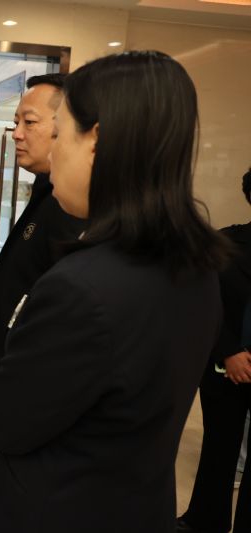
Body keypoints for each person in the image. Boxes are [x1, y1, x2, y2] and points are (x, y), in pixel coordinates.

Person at [0, 51, 229, 533]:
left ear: (97, 141)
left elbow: (2, 420)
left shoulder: (81, 287)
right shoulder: (197, 268)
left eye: (61, 134)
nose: (53, 153)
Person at [0, 73, 86, 525]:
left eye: (28, 122)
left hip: (16, 405)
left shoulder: (71, 210)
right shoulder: (44, 193)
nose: (16, 133)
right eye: (14, 122)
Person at [177, 168, 251, 533]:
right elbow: (201, 303)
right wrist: (228, 351)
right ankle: (205, 521)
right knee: (219, 447)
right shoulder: (223, 244)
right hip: (225, 367)